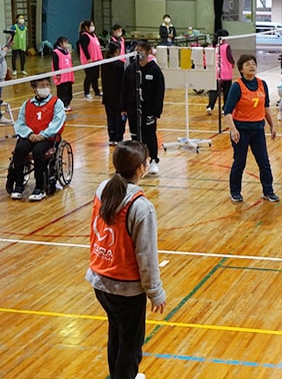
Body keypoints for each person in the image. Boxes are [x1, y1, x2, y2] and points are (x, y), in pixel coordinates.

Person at [85, 140, 167, 379]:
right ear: (141, 168)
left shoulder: (103, 189)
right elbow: (146, 256)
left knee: (117, 334)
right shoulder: (142, 207)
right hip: (126, 288)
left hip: (100, 280)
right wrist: (155, 291)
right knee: (130, 346)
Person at [223, 54, 279, 203]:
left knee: (264, 162)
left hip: (258, 130)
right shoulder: (237, 86)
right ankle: (235, 191)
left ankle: (268, 191)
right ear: (241, 69)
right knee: (240, 162)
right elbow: (227, 111)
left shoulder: (262, 84)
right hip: (241, 131)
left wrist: (272, 125)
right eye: (248, 64)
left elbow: (266, 107)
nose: (252, 66)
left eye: (253, 63)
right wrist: (233, 129)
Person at [7, 76, 66, 201]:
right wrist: (29, 134)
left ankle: (39, 187)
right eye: (41, 86)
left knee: (38, 152)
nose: (45, 88)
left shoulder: (56, 103)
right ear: (34, 89)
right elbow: (20, 122)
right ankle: (18, 184)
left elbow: (58, 121)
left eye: (47, 85)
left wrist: (43, 135)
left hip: (48, 138)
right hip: (30, 136)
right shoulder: (27, 104)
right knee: (20, 149)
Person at [121, 41, 165, 176]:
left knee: (149, 135)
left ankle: (153, 161)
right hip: (133, 109)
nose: (138, 53)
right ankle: (137, 162)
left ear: (148, 52)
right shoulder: (131, 69)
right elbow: (124, 88)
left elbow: (159, 92)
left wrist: (156, 112)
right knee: (135, 136)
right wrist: (124, 108)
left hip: (149, 110)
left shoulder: (154, 70)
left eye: (140, 51)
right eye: (136, 50)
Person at [102, 42, 126, 146]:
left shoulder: (104, 64)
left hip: (108, 97)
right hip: (119, 97)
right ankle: (118, 138)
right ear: (117, 51)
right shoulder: (121, 65)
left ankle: (112, 138)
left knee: (110, 118)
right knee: (119, 118)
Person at [206, 30, 235, 115]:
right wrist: (233, 63)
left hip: (215, 73)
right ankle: (224, 108)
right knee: (227, 92)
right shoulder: (226, 46)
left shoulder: (213, 46)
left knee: (214, 91)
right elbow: (229, 57)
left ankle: (210, 106)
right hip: (226, 73)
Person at [78, 19, 103, 99]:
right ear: (86, 27)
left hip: (96, 59)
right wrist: (88, 58)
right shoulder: (84, 36)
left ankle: (97, 91)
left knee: (95, 76)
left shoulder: (94, 35)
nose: (93, 27)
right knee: (89, 76)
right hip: (89, 61)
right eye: (91, 25)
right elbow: (84, 48)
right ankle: (86, 92)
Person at [51, 37, 74, 112]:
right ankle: (62, 105)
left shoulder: (67, 51)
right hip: (61, 76)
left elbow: (70, 62)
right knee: (62, 91)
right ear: (60, 44)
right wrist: (57, 73)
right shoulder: (56, 52)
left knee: (69, 92)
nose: (67, 44)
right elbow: (55, 64)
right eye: (65, 42)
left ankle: (67, 104)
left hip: (68, 75)